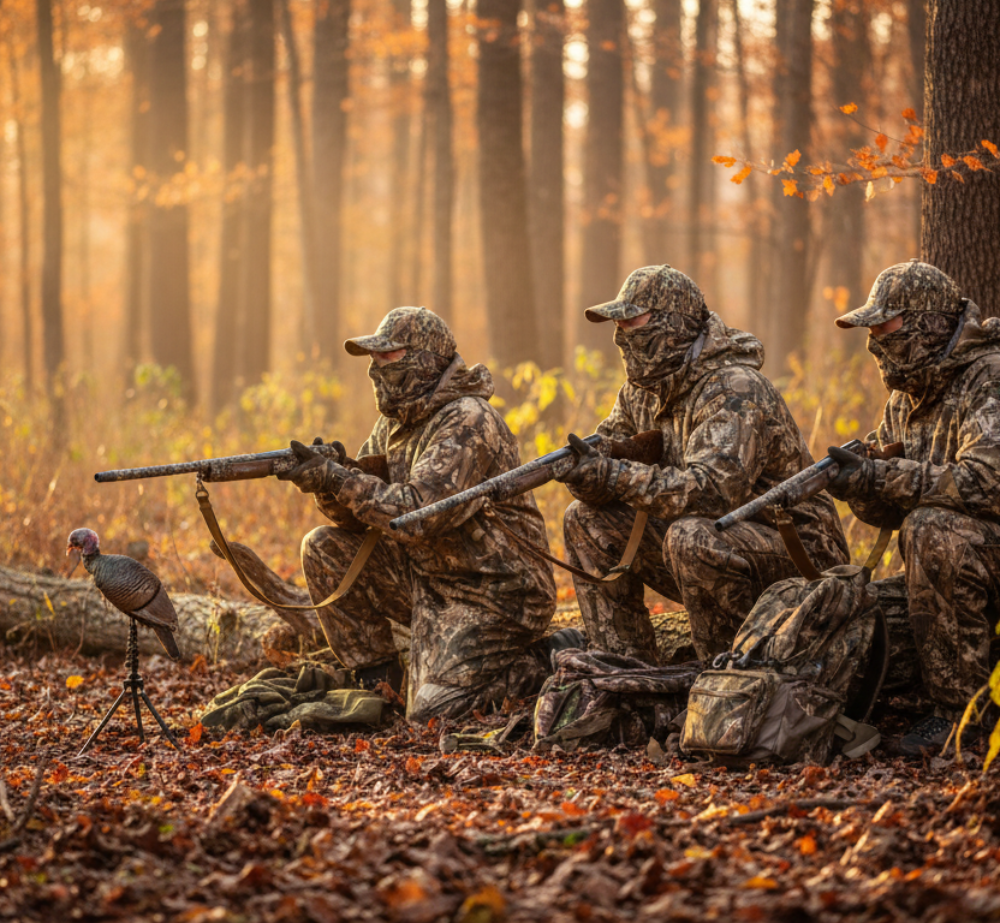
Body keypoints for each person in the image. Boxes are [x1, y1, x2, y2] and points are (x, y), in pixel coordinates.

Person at [279, 307, 561, 723]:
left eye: (389, 358)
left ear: (425, 361)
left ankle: (544, 660)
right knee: (323, 547)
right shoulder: (394, 423)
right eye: (374, 360)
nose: (376, 369)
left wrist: (339, 480)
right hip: (429, 579)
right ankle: (379, 683)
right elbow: (362, 521)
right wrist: (328, 487)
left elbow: (418, 514)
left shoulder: (468, 420)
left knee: (432, 711)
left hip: (496, 593)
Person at [558, 265, 849, 662]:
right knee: (583, 518)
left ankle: (726, 681)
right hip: (725, 545)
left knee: (691, 536)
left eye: (632, 320)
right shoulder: (642, 390)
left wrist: (615, 476)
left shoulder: (734, 388)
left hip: (800, 554)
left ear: (671, 323)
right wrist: (586, 475)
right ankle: (625, 670)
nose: (621, 332)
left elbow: (711, 494)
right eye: (618, 322)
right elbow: (615, 453)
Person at [823, 260, 1000, 756]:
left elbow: (988, 483)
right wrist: (857, 486)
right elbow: (886, 512)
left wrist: (882, 474)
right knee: (856, 617)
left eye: (886, 325)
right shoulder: (906, 398)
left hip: (980, 559)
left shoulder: (988, 377)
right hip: (957, 575)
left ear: (926, 322)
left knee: (930, 529)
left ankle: (963, 720)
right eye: (871, 328)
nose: (876, 339)